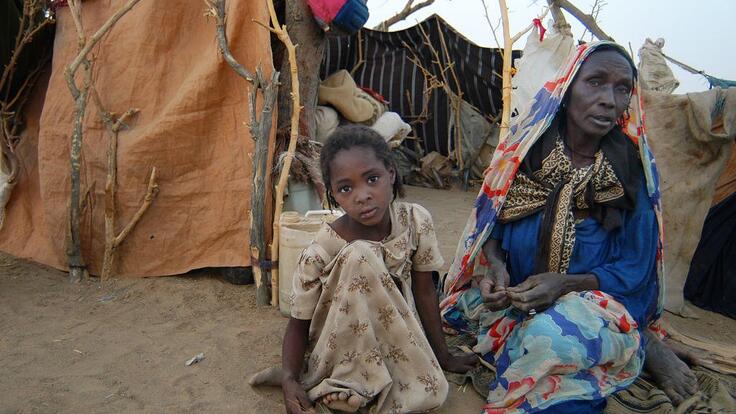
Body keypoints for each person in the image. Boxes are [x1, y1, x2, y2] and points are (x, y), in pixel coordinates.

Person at [439, 41, 696, 413]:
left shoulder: (631, 170)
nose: (610, 99)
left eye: (622, 88)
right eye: (595, 82)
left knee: (547, 339)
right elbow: (492, 226)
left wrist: (565, 284)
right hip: (519, 298)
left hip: (592, 303)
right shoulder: (524, 150)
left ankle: (639, 342)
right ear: (568, 86)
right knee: (450, 311)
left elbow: (636, 272)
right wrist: (496, 269)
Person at [279, 125, 476, 414]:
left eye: (372, 179)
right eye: (346, 188)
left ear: (391, 174)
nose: (362, 195)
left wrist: (443, 357)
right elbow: (298, 324)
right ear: (333, 195)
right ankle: (346, 381)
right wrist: (289, 378)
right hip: (340, 347)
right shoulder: (322, 249)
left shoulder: (414, 222)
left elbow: (424, 293)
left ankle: (370, 384)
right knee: (359, 254)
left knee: (433, 392)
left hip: (397, 336)